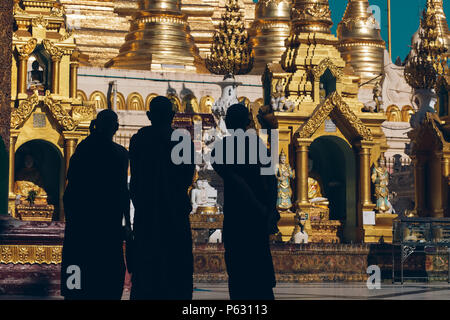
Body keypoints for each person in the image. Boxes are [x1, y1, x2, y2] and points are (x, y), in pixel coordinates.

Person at [129, 96, 195, 300]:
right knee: (176, 268)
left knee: (147, 270)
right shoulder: (182, 140)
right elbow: (187, 177)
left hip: (147, 211)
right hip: (173, 210)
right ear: (172, 116)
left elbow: (137, 177)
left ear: (149, 115)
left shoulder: (139, 139)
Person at [211, 104, 279, 300]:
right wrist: (269, 210)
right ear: (247, 122)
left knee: (238, 271)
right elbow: (271, 180)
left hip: (238, 216)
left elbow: (232, 177)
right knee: (259, 270)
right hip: (257, 216)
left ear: (227, 122)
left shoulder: (221, 148)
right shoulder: (257, 145)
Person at [61, 109, 130, 300]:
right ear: (115, 128)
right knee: (107, 280)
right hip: (108, 224)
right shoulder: (120, 154)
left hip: (83, 225)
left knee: (79, 275)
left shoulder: (84, 149)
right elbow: (124, 193)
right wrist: (129, 225)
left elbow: (70, 189)